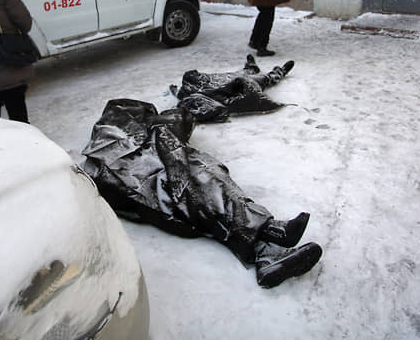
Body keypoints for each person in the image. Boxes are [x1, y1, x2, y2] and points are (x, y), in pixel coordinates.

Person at [83, 99, 323, 288]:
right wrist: (173, 154)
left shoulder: (139, 135)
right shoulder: (119, 129)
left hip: (141, 176)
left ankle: (267, 245)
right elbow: (159, 146)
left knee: (206, 176)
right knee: (196, 185)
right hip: (136, 178)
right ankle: (264, 244)